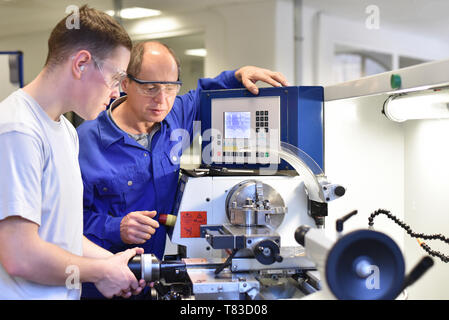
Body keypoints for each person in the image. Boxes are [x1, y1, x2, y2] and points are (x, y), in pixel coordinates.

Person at [77, 40, 290, 298]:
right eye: (150, 88)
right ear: (125, 83)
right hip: (101, 284)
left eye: (170, 87)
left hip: (150, 278)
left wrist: (238, 75)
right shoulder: (85, 142)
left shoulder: (174, 115)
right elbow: (63, 224)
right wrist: (115, 226)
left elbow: (203, 95)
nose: (162, 100)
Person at [0, 5, 146, 300]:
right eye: (116, 78)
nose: (118, 92)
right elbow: (19, 255)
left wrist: (114, 264)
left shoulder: (66, 132)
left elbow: (63, 235)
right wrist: (100, 272)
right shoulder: (18, 130)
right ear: (81, 63)